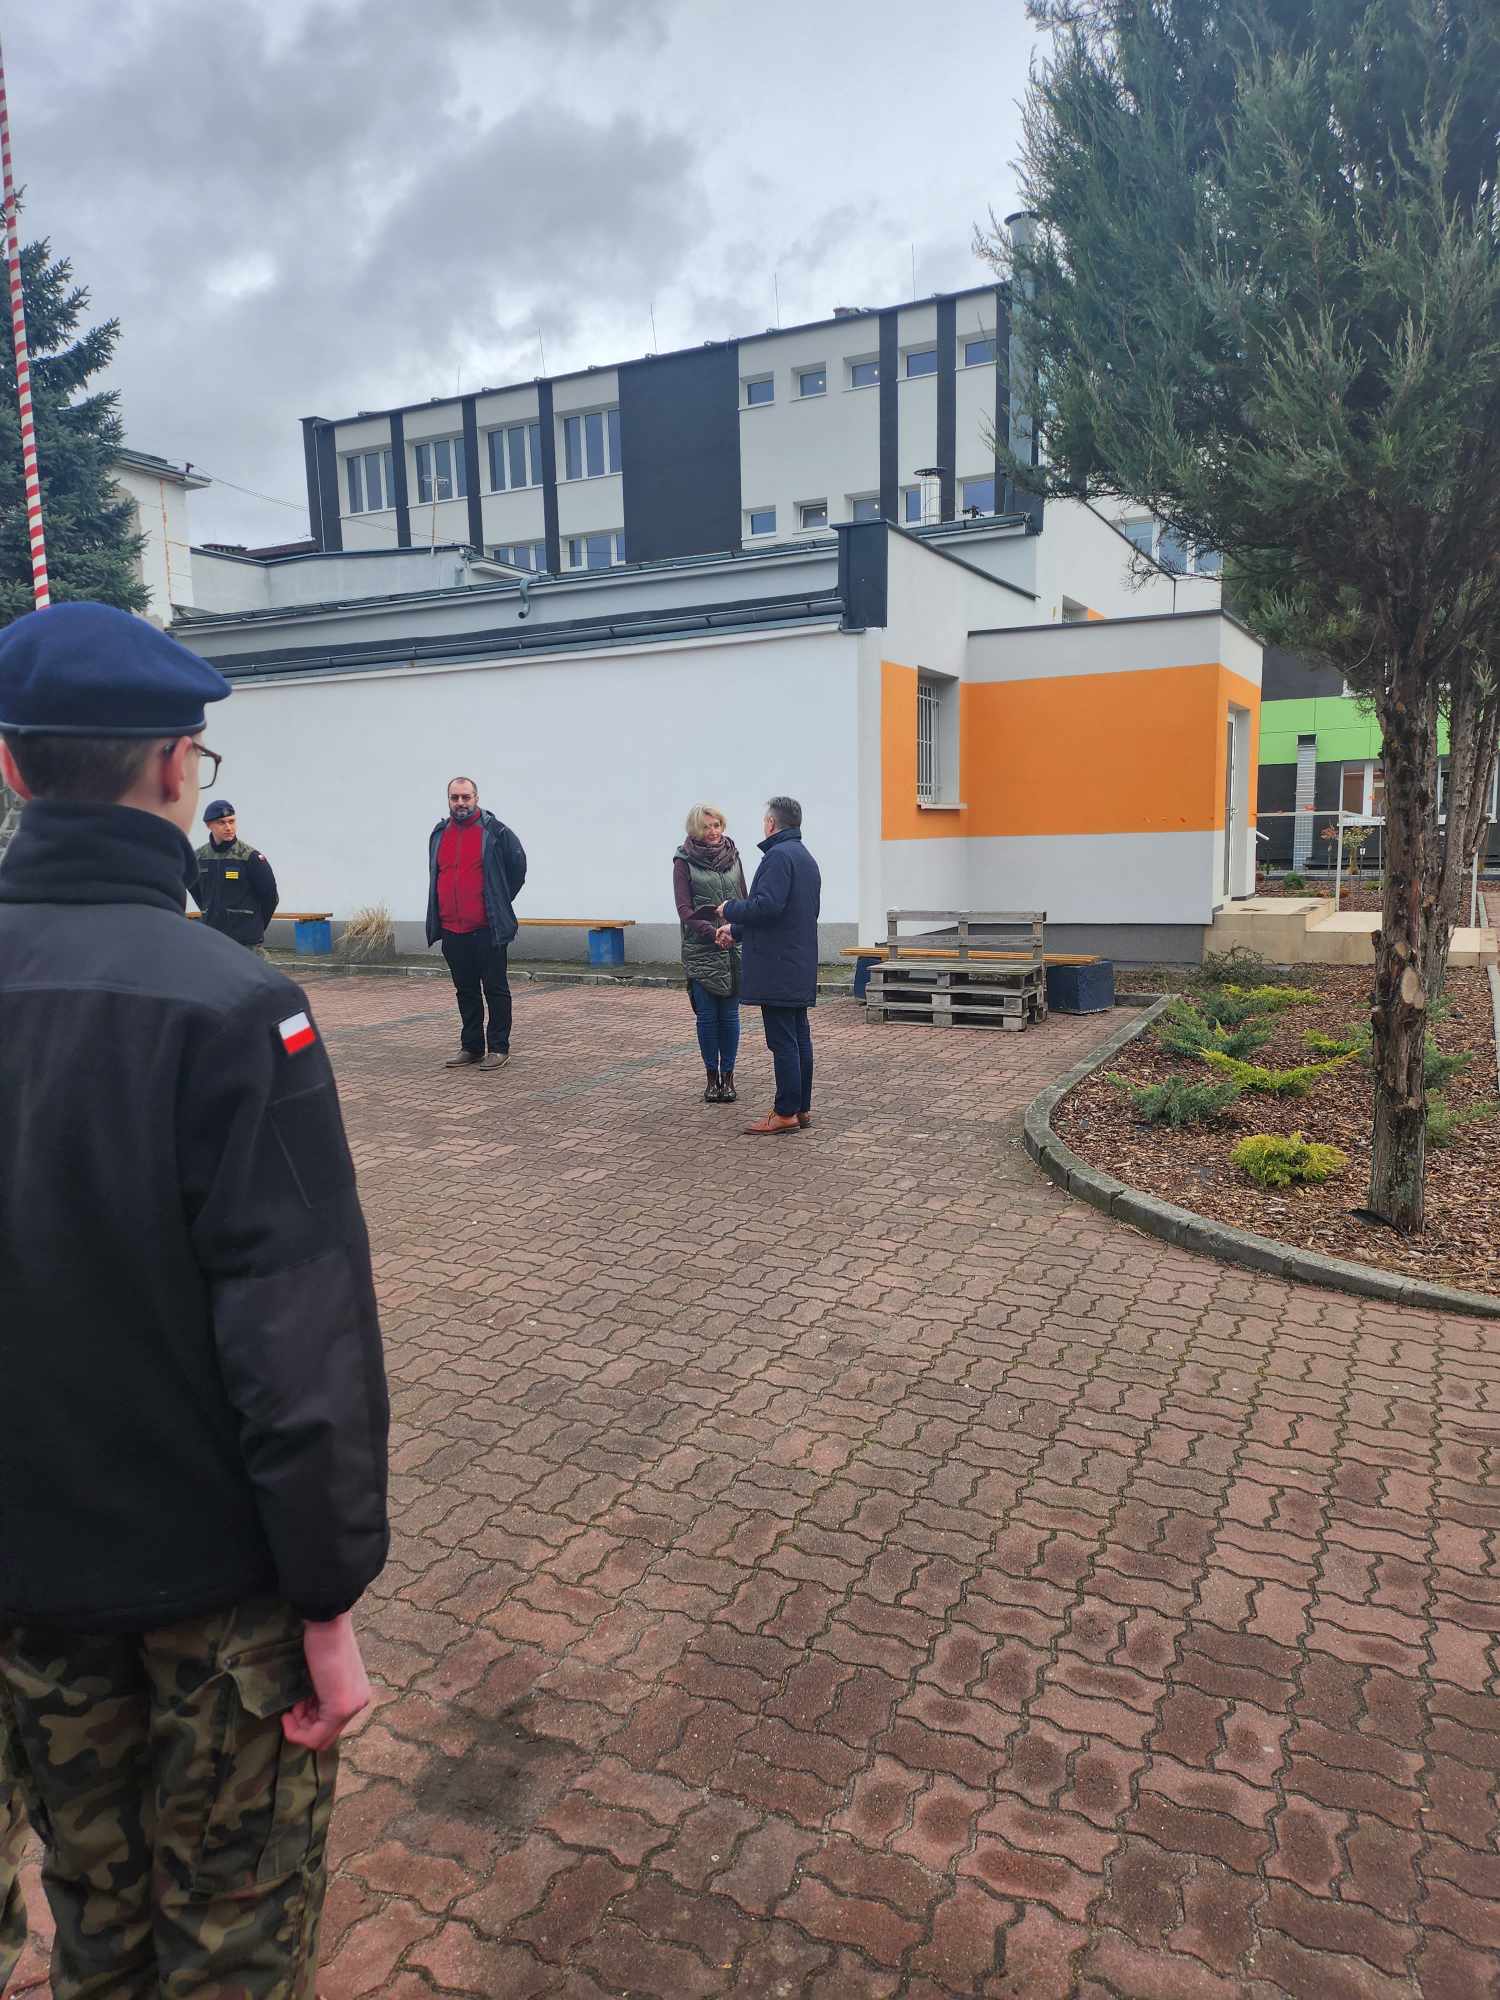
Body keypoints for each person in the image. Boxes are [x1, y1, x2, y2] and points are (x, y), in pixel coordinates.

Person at [0, 600, 389, 2000]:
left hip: (29, 1579)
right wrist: (327, 1599)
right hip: (214, 1598)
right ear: (178, 768)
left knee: (95, 1919)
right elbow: (300, 1337)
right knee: (229, 1941)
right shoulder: (235, 1005)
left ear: (11, 770)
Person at [717, 795, 822, 1136]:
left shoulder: (778, 857)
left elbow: (767, 906)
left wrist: (730, 909)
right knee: (799, 1038)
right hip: (797, 962)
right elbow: (787, 914)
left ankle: (785, 1112)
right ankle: (801, 1107)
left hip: (777, 966)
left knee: (783, 1041)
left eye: (765, 819)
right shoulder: (804, 857)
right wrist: (736, 931)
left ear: (772, 823)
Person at [426, 774, 527, 1071]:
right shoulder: (439, 833)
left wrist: (499, 900)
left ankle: (498, 1047)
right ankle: (471, 1047)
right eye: (455, 797)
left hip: (487, 929)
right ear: (448, 800)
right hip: (452, 929)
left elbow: (518, 868)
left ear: (476, 798)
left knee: (495, 990)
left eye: (466, 797)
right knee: (465, 990)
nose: (460, 802)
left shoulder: (496, 831)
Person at [673, 803, 748, 1103]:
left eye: (717, 825)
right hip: (701, 948)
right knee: (706, 1017)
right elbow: (684, 910)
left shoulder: (734, 856)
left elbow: (744, 899)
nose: (713, 831)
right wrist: (711, 932)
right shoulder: (683, 861)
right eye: (707, 827)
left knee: (729, 1017)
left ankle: (728, 1078)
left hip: (733, 947)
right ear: (696, 829)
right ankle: (711, 1078)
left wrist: (737, 930)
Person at [190, 795, 280, 950]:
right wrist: (209, 912)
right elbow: (196, 892)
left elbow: (270, 897)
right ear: (209, 825)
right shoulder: (198, 858)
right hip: (214, 939)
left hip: (246, 943)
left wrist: (255, 927)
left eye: (231, 821)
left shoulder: (250, 857)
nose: (228, 827)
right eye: (221, 823)